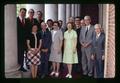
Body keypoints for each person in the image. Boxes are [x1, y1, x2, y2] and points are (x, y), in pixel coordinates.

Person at [17, 8, 27, 72]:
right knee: (18, 54)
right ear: (19, 12)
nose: (23, 13)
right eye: (22, 12)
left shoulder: (26, 20)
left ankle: (21, 66)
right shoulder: (16, 19)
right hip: (17, 41)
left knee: (22, 54)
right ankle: (18, 66)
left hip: (24, 41)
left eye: (24, 12)